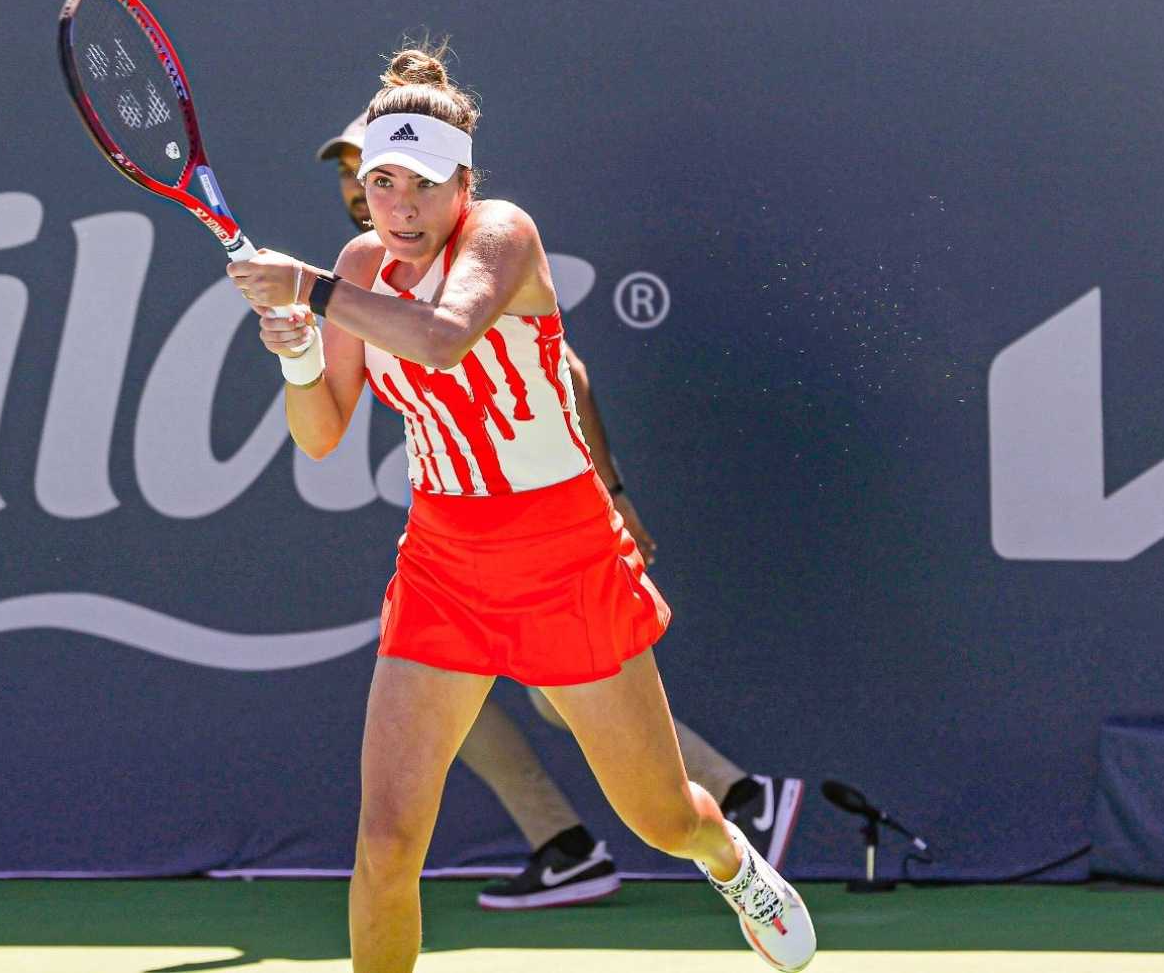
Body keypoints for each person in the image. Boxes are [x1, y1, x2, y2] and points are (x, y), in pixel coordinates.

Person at [228, 47, 815, 972]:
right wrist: (301, 354)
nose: (402, 207)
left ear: (464, 181)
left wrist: (309, 290)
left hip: (567, 557)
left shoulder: (502, 235)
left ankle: (729, 859)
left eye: (424, 184)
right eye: (383, 183)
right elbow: (321, 433)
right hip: (442, 567)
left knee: (662, 817)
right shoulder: (354, 266)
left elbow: (444, 339)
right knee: (385, 849)